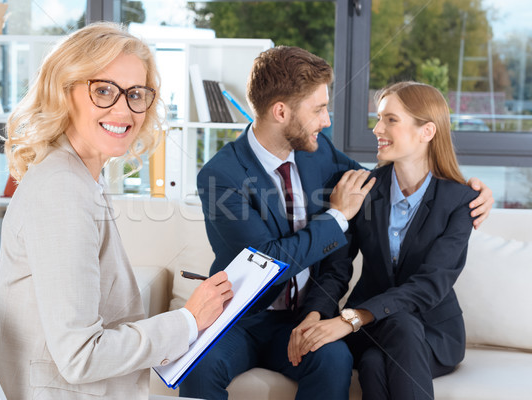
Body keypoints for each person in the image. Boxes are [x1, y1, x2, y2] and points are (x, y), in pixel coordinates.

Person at [180, 47, 493, 400]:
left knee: (334, 359)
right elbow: (267, 261)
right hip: (243, 317)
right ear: (281, 112)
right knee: (198, 368)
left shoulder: (320, 153)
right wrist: (336, 217)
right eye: (318, 110)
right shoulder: (220, 176)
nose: (326, 120)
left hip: (304, 316)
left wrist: (473, 191)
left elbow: (381, 176)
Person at [0, 22, 233, 400]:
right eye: (103, 90)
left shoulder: (82, 178)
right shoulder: (62, 190)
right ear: (64, 92)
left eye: (136, 94)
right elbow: (80, 356)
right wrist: (187, 321)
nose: (124, 109)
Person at [288, 81, 479, 400]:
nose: (377, 128)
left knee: (380, 360)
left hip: (432, 333)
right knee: (382, 350)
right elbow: (336, 269)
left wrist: (352, 318)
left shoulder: (460, 201)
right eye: (378, 118)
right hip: (374, 331)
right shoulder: (362, 190)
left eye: (391, 119)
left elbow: (429, 285)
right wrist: (316, 316)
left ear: (427, 131)